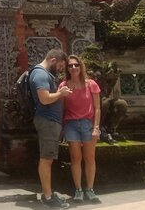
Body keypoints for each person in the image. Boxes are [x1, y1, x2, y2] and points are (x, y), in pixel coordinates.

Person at [30, 49, 72, 208]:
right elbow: (45, 98)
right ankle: (47, 197)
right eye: (61, 65)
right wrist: (61, 94)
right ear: (53, 60)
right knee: (46, 159)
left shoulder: (43, 74)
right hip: (47, 121)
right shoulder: (41, 75)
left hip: (50, 121)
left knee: (48, 158)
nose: (61, 69)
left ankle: (48, 193)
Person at [59, 55, 101, 203]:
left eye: (76, 65)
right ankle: (78, 189)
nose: (73, 68)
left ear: (81, 66)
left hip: (87, 124)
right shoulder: (64, 85)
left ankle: (90, 188)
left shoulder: (91, 84)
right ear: (67, 69)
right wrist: (61, 127)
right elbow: (62, 108)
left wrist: (96, 127)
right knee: (75, 158)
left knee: (89, 158)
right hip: (71, 124)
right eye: (70, 66)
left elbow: (97, 108)